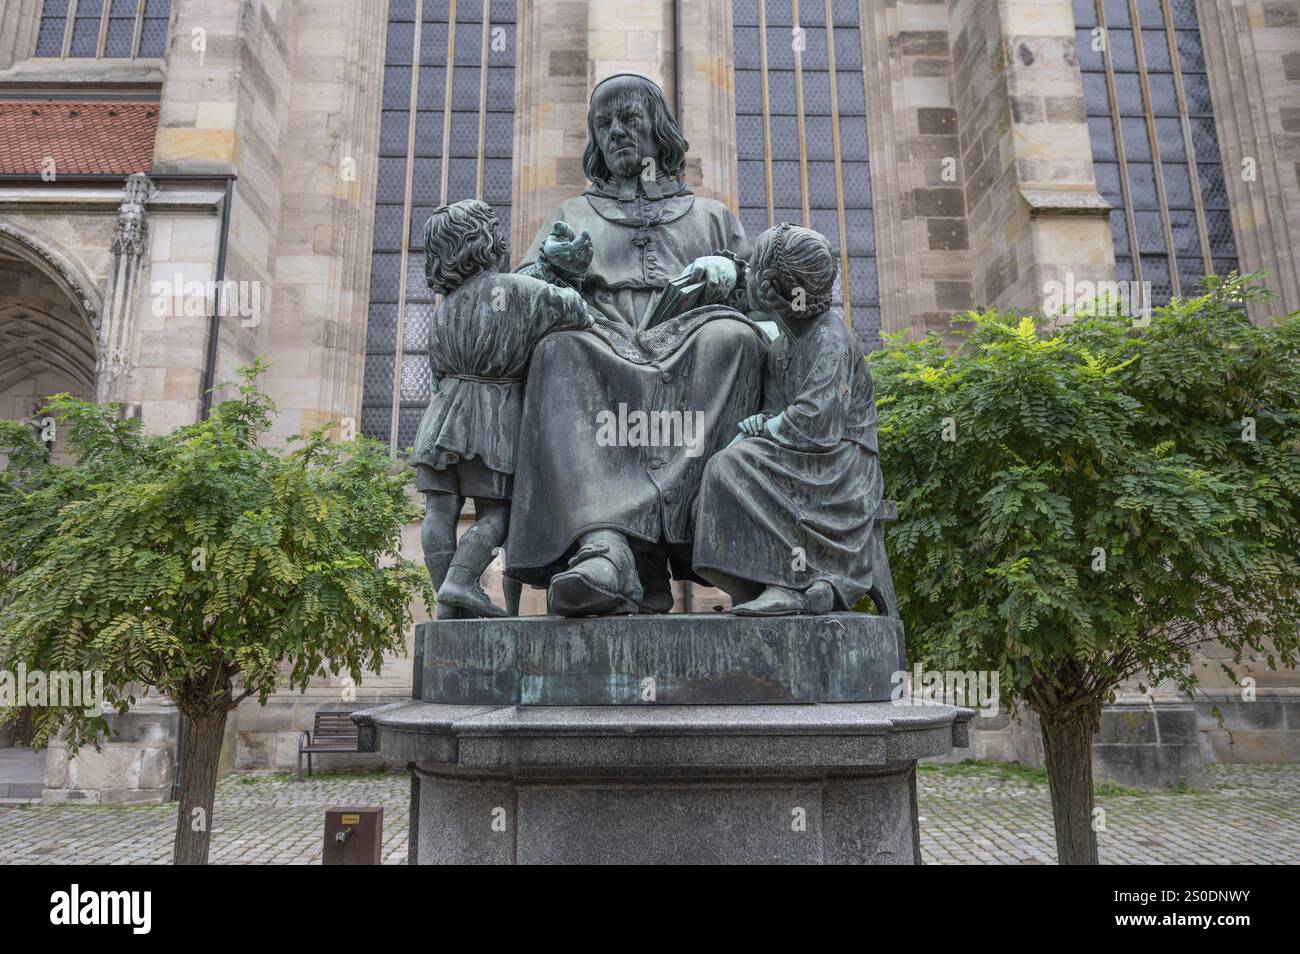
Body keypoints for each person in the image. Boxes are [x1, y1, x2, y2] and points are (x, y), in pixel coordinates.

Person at [502, 72, 769, 616]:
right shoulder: (571, 216)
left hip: (693, 352)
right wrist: (555, 271)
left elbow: (771, 305)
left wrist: (733, 274)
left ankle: (699, 535)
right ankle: (608, 546)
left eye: (629, 118)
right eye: (604, 123)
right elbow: (519, 297)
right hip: (602, 348)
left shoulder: (711, 216)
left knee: (734, 339)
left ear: (658, 127)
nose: (617, 131)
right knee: (559, 352)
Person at [412, 199, 592, 618]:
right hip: (491, 419)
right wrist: (568, 268)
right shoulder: (513, 289)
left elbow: (438, 373)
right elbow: (577, 311)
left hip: (440, 418)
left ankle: (447, 600)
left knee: (440, 508)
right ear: (485, 240)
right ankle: (461, 580)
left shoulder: (445, 309)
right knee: (498, 512)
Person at [692, 224, 884, 616]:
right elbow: (777, 409)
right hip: (802, 454)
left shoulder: (830, 339)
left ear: (769, 291)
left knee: (729, 468)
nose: (744, 275)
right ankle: (769, 583)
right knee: (724, 466)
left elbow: (816, 422)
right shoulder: (780, 347)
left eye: (751, 269)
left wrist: (767, 427)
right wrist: (759, 423)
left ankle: (790, 582)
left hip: (839, 468)